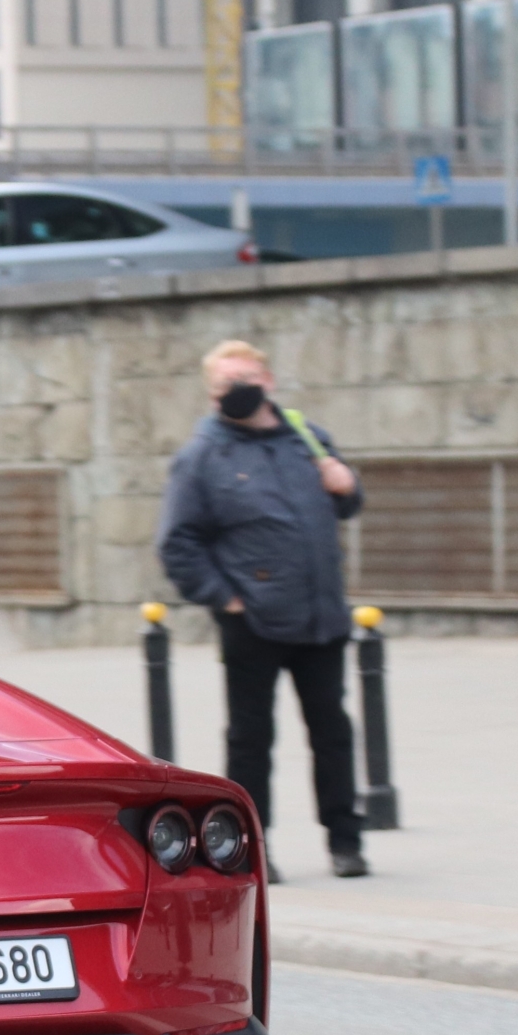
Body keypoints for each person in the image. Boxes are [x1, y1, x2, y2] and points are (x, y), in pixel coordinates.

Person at [157, 339, 368, 882]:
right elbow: (178, 543)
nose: (238, 390)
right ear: (211, 394)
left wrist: (348, 488)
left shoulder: (307, 438)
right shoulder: (203, 456)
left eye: (246, 378)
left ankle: (346, 841)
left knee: (333, 731)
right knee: (251, 738)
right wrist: (226, 598)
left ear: (268, 379)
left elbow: (343, 501)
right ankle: (251, 849)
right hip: (253, 622)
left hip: (320, 615)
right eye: (226, 384)